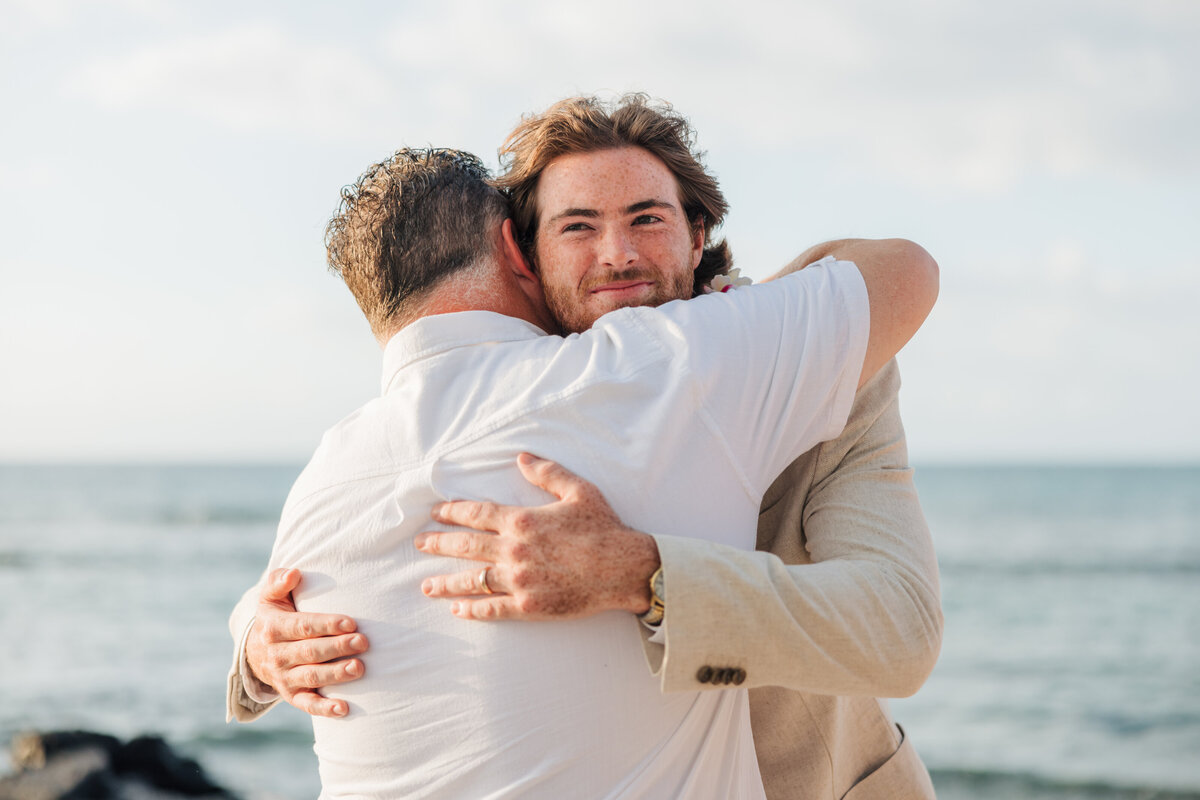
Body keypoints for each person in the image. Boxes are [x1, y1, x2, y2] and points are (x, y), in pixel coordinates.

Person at [229, 96, 941, 798]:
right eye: (577, 226)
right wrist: (259, 640)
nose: (618, 253)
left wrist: (646, 576)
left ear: (698, 236)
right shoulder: (515, 401)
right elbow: (365, 536)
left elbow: (899, 629)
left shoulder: (811, 362)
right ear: (526, 253)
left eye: (647, 219)